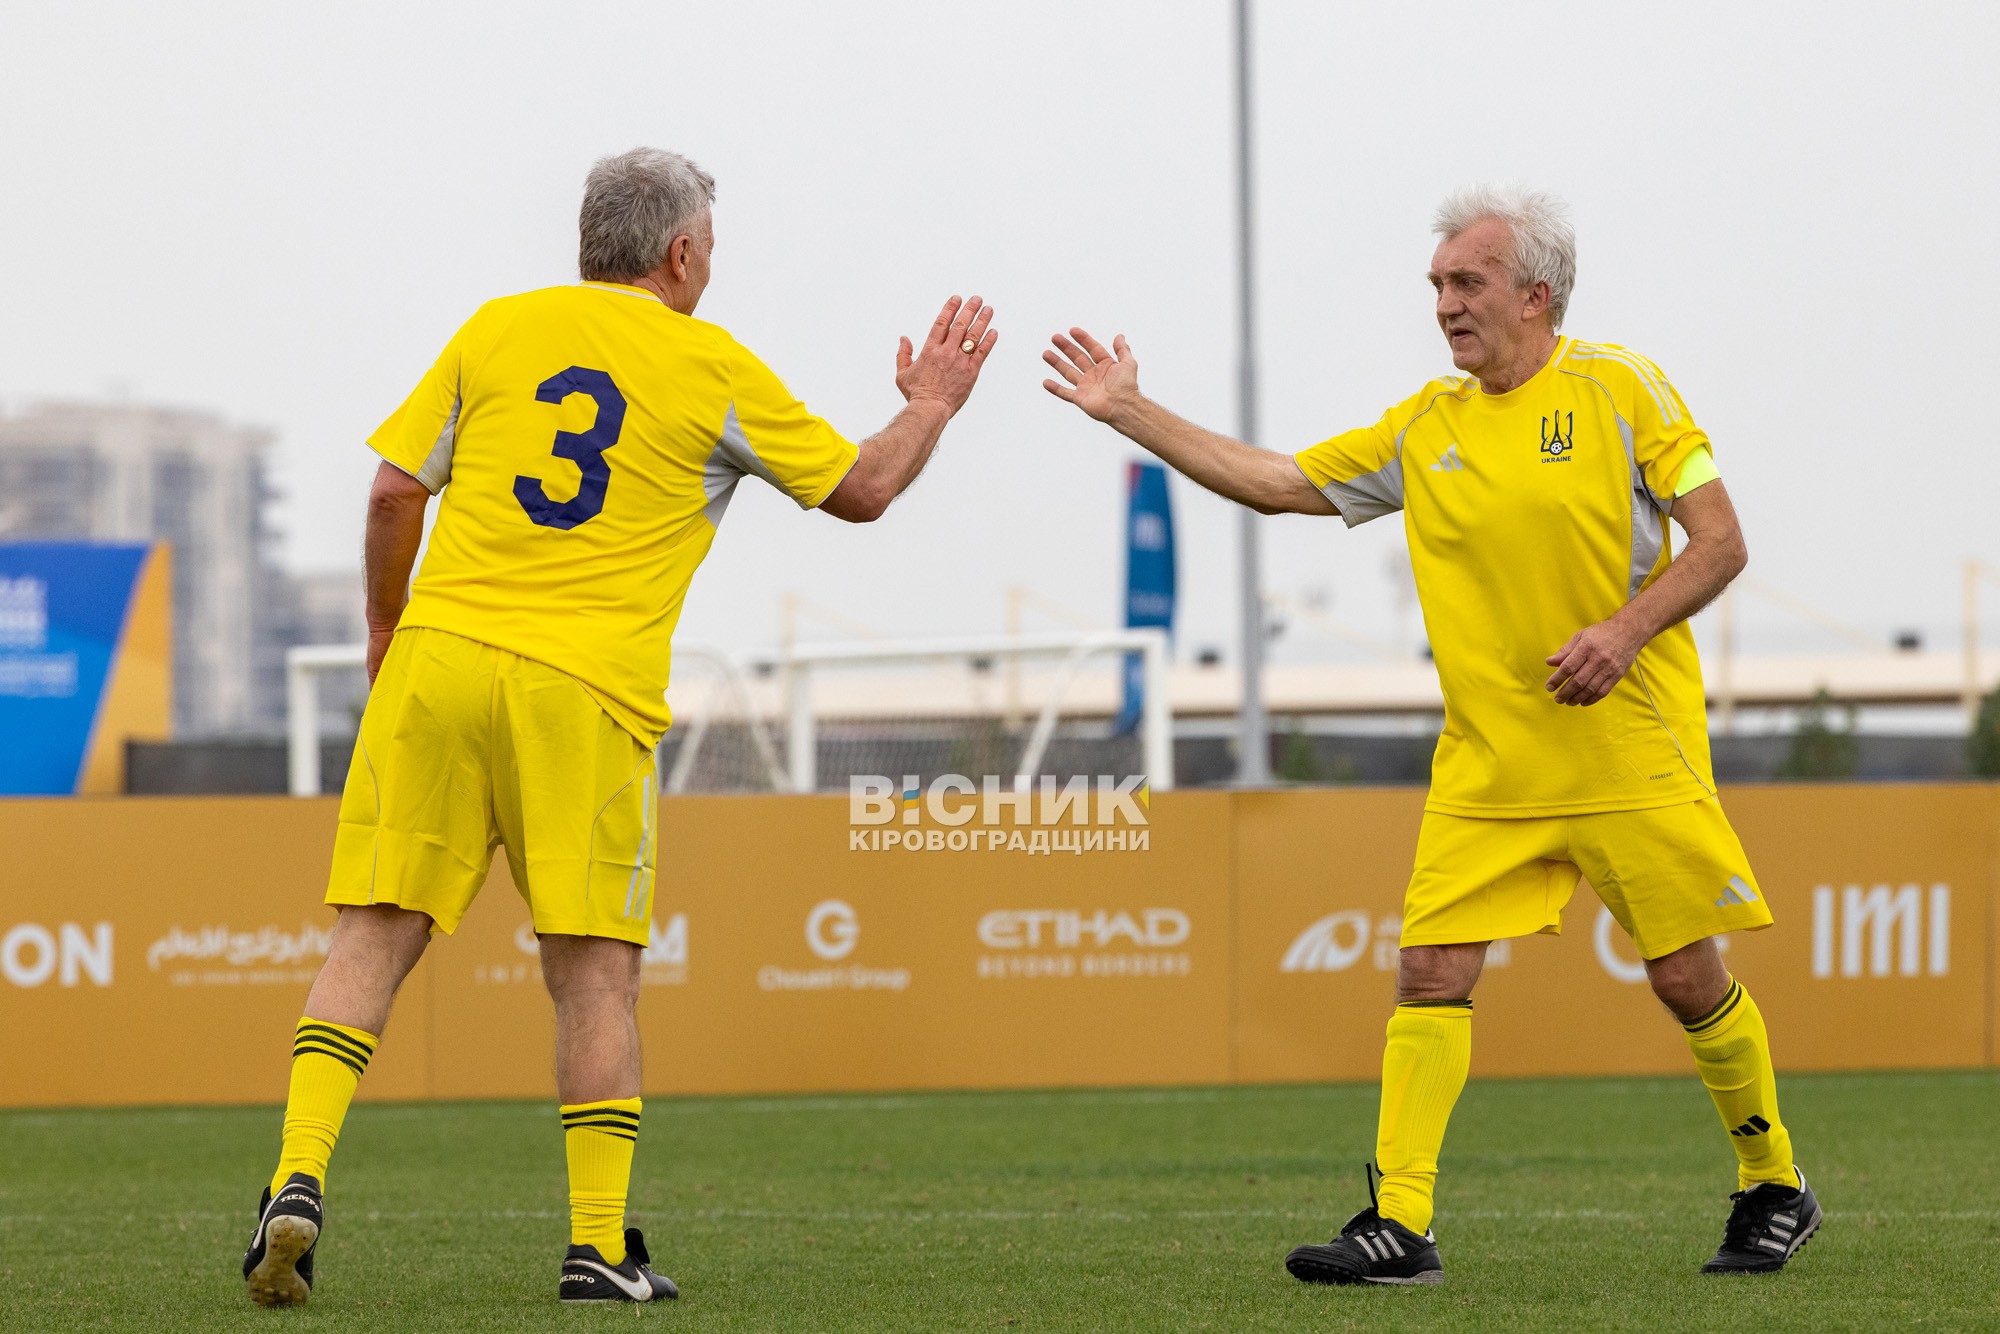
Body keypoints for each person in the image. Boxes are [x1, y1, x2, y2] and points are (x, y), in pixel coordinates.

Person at [241, 147, 998, 1308]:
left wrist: (387, 628)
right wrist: (929, 404)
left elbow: (395, 491)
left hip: (438, 664)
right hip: (582, 692)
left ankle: (296, 1176)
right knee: (594, 978)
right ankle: (596, 1245)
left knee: (371, 935)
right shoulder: (709, 364)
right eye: (712, 246)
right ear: (680, 252)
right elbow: (860, 490)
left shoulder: (495, 328)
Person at [1042, 184, 1817, 1285]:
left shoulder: (1621, 389)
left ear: (1535, 294)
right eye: (1437, 285)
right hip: (1488, 766)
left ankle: (1773, 1182)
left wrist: (1622, 631)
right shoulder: (1424, 425)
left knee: (1685, 978)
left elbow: (1721, 541)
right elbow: (1280, 482)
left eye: (1467, 282)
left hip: (1626, 751)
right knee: (1429, 969)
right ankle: (1400, 1222)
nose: (1445, 304)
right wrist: (1131, 410)